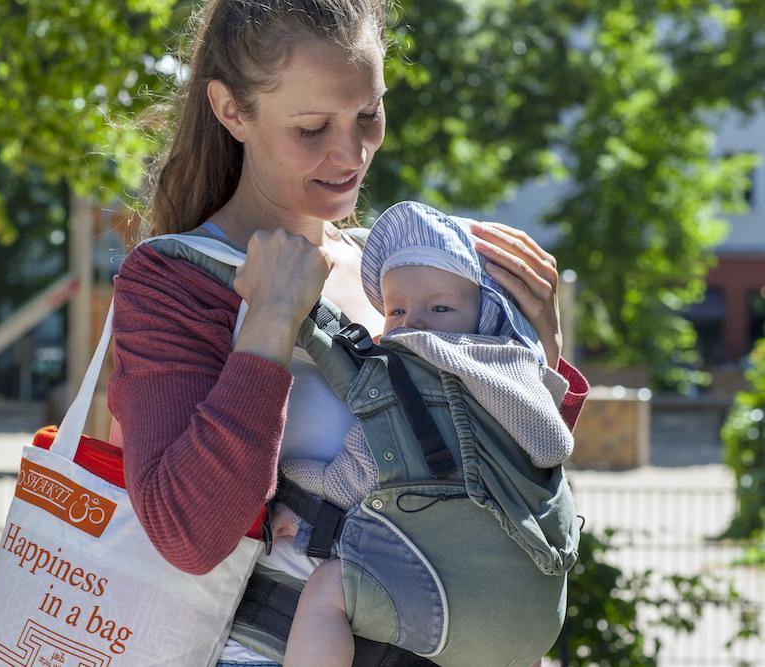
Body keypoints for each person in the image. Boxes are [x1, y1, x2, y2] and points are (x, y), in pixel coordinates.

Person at [107, 1, 589, 664]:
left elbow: (489, 494)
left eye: (369, 114)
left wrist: (538, 360)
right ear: (231, 110)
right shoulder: (177, 281)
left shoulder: (389, 275)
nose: (351, 152)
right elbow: (188, 535)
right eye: (311, 129)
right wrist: (271, 325)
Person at [274, 200, 577, 667]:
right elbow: (552, 446)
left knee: (327, 591)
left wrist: (289, 479)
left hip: (443, 601)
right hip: (534, 616)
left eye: (439, 307)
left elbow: (351, 482)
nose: (412, 323)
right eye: (396, 310)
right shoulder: (518, 374)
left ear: (486, 316)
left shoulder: (401, 389)